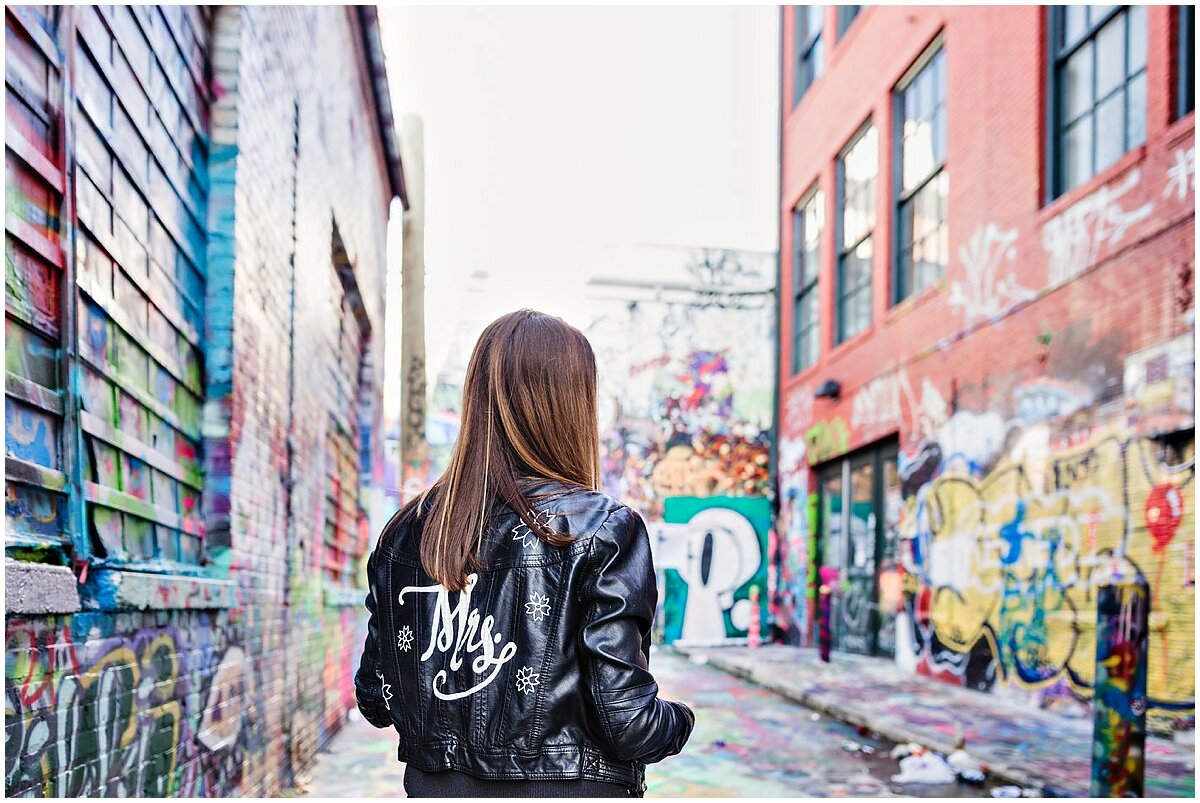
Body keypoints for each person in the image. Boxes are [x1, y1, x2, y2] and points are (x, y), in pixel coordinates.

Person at [354, 309, 695, 798]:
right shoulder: (603, 529)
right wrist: (681, 720)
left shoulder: (406, 533)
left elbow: (376, 698)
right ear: (572, 406)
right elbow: (628, 722)